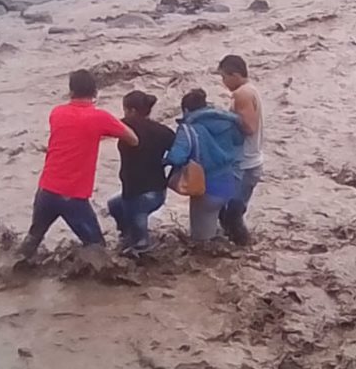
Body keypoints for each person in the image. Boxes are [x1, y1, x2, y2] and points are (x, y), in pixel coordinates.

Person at [18, 70, 139, 257]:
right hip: (73, 197)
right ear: (95, 92)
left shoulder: (56, 113)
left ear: (71, 91)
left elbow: (73, 133)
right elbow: (133, 139)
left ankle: (14, 274)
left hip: (46, 190)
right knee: (97, 248)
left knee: (32, 239)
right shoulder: (100, 117)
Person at [166, 88, 243, 242]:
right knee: (218, 229)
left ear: (186, 109)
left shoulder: (188, 129)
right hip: (229, 183)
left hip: (206, 188)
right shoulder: (228, 122)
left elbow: (177, 157)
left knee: (201, 243)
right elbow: (238, 142)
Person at [107, 91, 175, 254]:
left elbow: (103, 126)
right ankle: (127, 235)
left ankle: (140, 245)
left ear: (131, 111)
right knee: (114, 205)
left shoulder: (126, 125)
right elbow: (179, 154)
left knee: (139, 241)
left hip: (136, 195)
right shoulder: (164, 132)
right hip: (158, 192)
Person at [218, 55, 264, 245]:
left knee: (231, 214)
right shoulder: (251, 90)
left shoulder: (241, 94)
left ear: (235, 75)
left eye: (224, 77)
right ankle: (240, 252)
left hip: (244, 164)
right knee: (229, 211)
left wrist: (225, 119)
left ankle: (242, 251)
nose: (223, 82)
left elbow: (249, 127)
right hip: (252, 160)